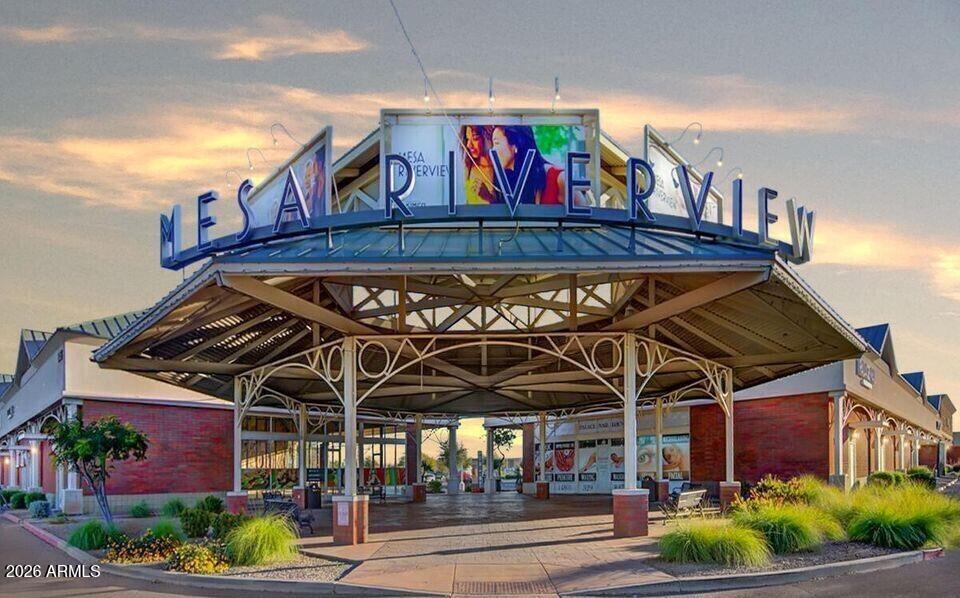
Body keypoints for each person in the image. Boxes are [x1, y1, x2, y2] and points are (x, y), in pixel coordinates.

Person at [462, 125, 496, 204]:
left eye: (475, 138)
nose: (469, 145)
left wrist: (487, 196)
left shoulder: (497, 168)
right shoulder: (468, 165)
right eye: (467, 139)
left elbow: (506, 207)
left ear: (486, 138)